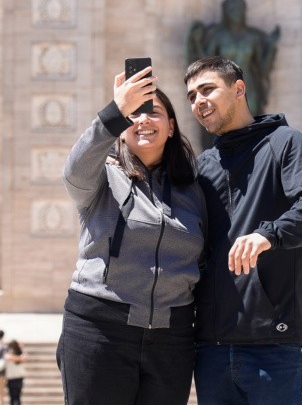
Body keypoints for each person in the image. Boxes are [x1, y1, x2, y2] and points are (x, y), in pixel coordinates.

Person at [184, 56, 302, 405]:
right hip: (211, 349)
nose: (198, 101)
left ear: (238, 89)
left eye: (207, 89)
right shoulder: (203, 166)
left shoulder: (285, 143)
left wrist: (269, 234)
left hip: (274, 345)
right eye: (191, 96)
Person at [57, 66, 207, 404]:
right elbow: (74, 173)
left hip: (173, 338)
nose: (143, 120)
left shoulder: (194, 191)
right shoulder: (101, 178)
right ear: (121, 129)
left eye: (153, 112)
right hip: (99, 329)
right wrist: (114, 112)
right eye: (133, 114)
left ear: (171, 127)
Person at [187, 0, 280, 118]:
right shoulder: (217, 36)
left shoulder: (253, 38)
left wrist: (272, 48)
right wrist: (197, 43)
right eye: (232, 10)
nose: (236, 13)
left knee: (250, 126)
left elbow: (263, 71)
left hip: (249, 88)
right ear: (225, 13)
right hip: (222, 87)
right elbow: (204, 67)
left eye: (239, 9)